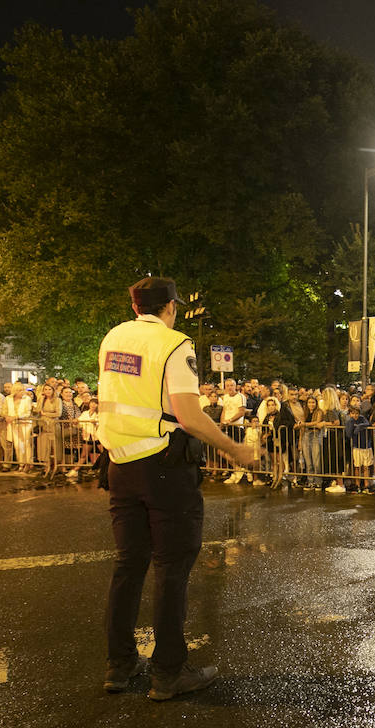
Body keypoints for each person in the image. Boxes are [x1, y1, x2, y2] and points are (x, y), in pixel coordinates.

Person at [97, 277, 256, 702]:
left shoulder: (113, 339)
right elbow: (188, 414)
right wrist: (233, 449)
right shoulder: (174, 343)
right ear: (169, 307)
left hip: (119, 464)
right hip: (164, 466)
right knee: (171, 568)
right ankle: (168, 671)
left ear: (135, 307)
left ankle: (119, 663)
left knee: (128, 566)